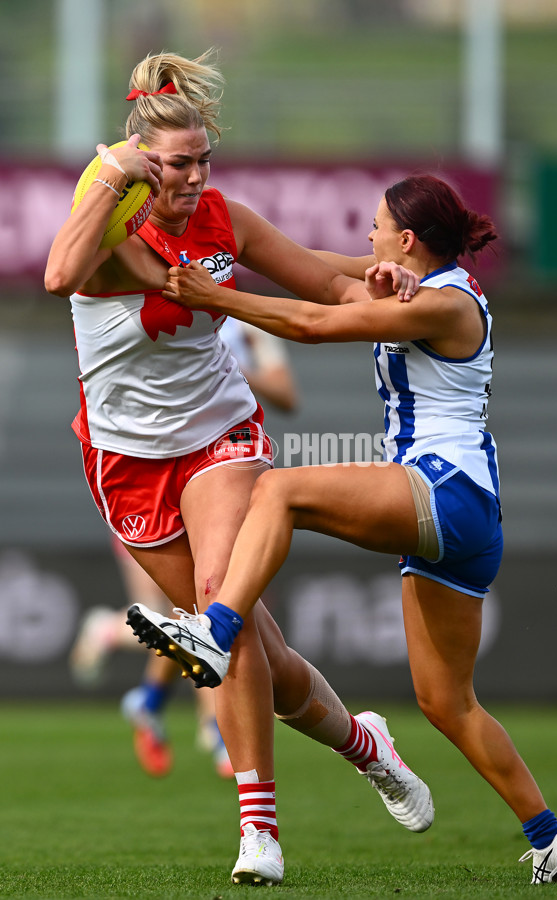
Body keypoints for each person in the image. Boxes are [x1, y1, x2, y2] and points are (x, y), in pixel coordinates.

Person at [128, 174, 557, 886]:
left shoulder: (441, 303)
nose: (367, 237)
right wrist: (256, 259)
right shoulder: (419, 287)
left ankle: (215, 633)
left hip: (444, 487)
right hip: (468, 517)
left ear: (408, 240)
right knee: (447, 703)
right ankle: (552, 838)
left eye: (377, 227)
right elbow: (321, 273)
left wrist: (215, 297)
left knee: (279, 489)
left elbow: (313, 325)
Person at [45, 50, 432, 887]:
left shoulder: (225, 218)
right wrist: (112, 176)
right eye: (176, 164)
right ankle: (366, 745)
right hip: (125, 457)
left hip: (222, 434)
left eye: (202, 161)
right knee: (259, 647)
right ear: (143, 160)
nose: (192, 179)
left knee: (224, 601)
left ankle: (259, 829)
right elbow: (57, 274)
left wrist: (378, 279)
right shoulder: (113, 228)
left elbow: (322, 283)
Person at [69, 319, 299, 779]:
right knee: (196, 610)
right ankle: (211, 725)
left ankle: (153, 698)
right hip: (152, 476)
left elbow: (287, 396)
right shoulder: (163, 304)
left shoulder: (251, 324)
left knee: (211, 609)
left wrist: (222, 368)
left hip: (218, 470)